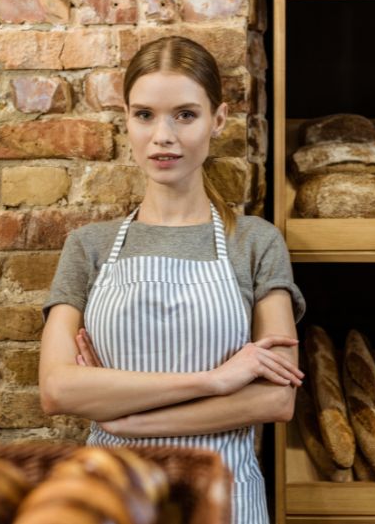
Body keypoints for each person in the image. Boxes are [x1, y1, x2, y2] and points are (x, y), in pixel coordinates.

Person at [39, 35, 307, 524]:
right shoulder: (89, 246)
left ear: (218, 120)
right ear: (126, 121)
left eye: (185, 114)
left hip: (224, 499)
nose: (163, 136)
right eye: (145, 115)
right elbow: (58, 389)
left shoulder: (255, 243)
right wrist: (216, 380)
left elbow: (275, 396)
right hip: (112, 500)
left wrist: (127, 420)